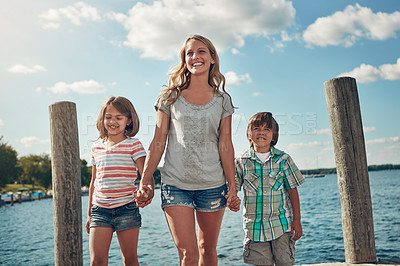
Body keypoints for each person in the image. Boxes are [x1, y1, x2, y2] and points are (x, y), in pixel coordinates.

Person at [135, 34, 240, 266]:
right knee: (188, 254)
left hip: (213, 185)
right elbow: (158, 141)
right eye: (189, 53)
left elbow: (225, 145)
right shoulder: (169, 97)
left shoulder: (223, 100)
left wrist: (232, 187)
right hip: (175, 185)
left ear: (212, 58)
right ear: (184, 60)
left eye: (201, 51)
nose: (195, 57)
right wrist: (145, 181)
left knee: (208, 250)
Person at [235, 112, 305, 266]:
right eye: (256, 128)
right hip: (254, 228)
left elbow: (293, 191)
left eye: (267, 129)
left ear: (274, 136)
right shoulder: (241, 162)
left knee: (285, 263)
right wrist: (232, 200)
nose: (261, 132)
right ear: (249, 134)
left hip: (282, 226)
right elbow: (233, 189)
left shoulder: (283, 160)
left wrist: (297, 221)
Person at [85, 96, 146, 266]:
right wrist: (89, 213)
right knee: (96, 261)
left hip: (126, 208)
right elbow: (93, 182)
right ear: (102, 119)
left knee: (130, 260)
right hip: (100, 210)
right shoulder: (96, 147)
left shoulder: (134, 145)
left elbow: (145, 176)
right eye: (108, 117)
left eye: (119, 118)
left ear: (129, 121)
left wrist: (147, 191)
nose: (113, 121)